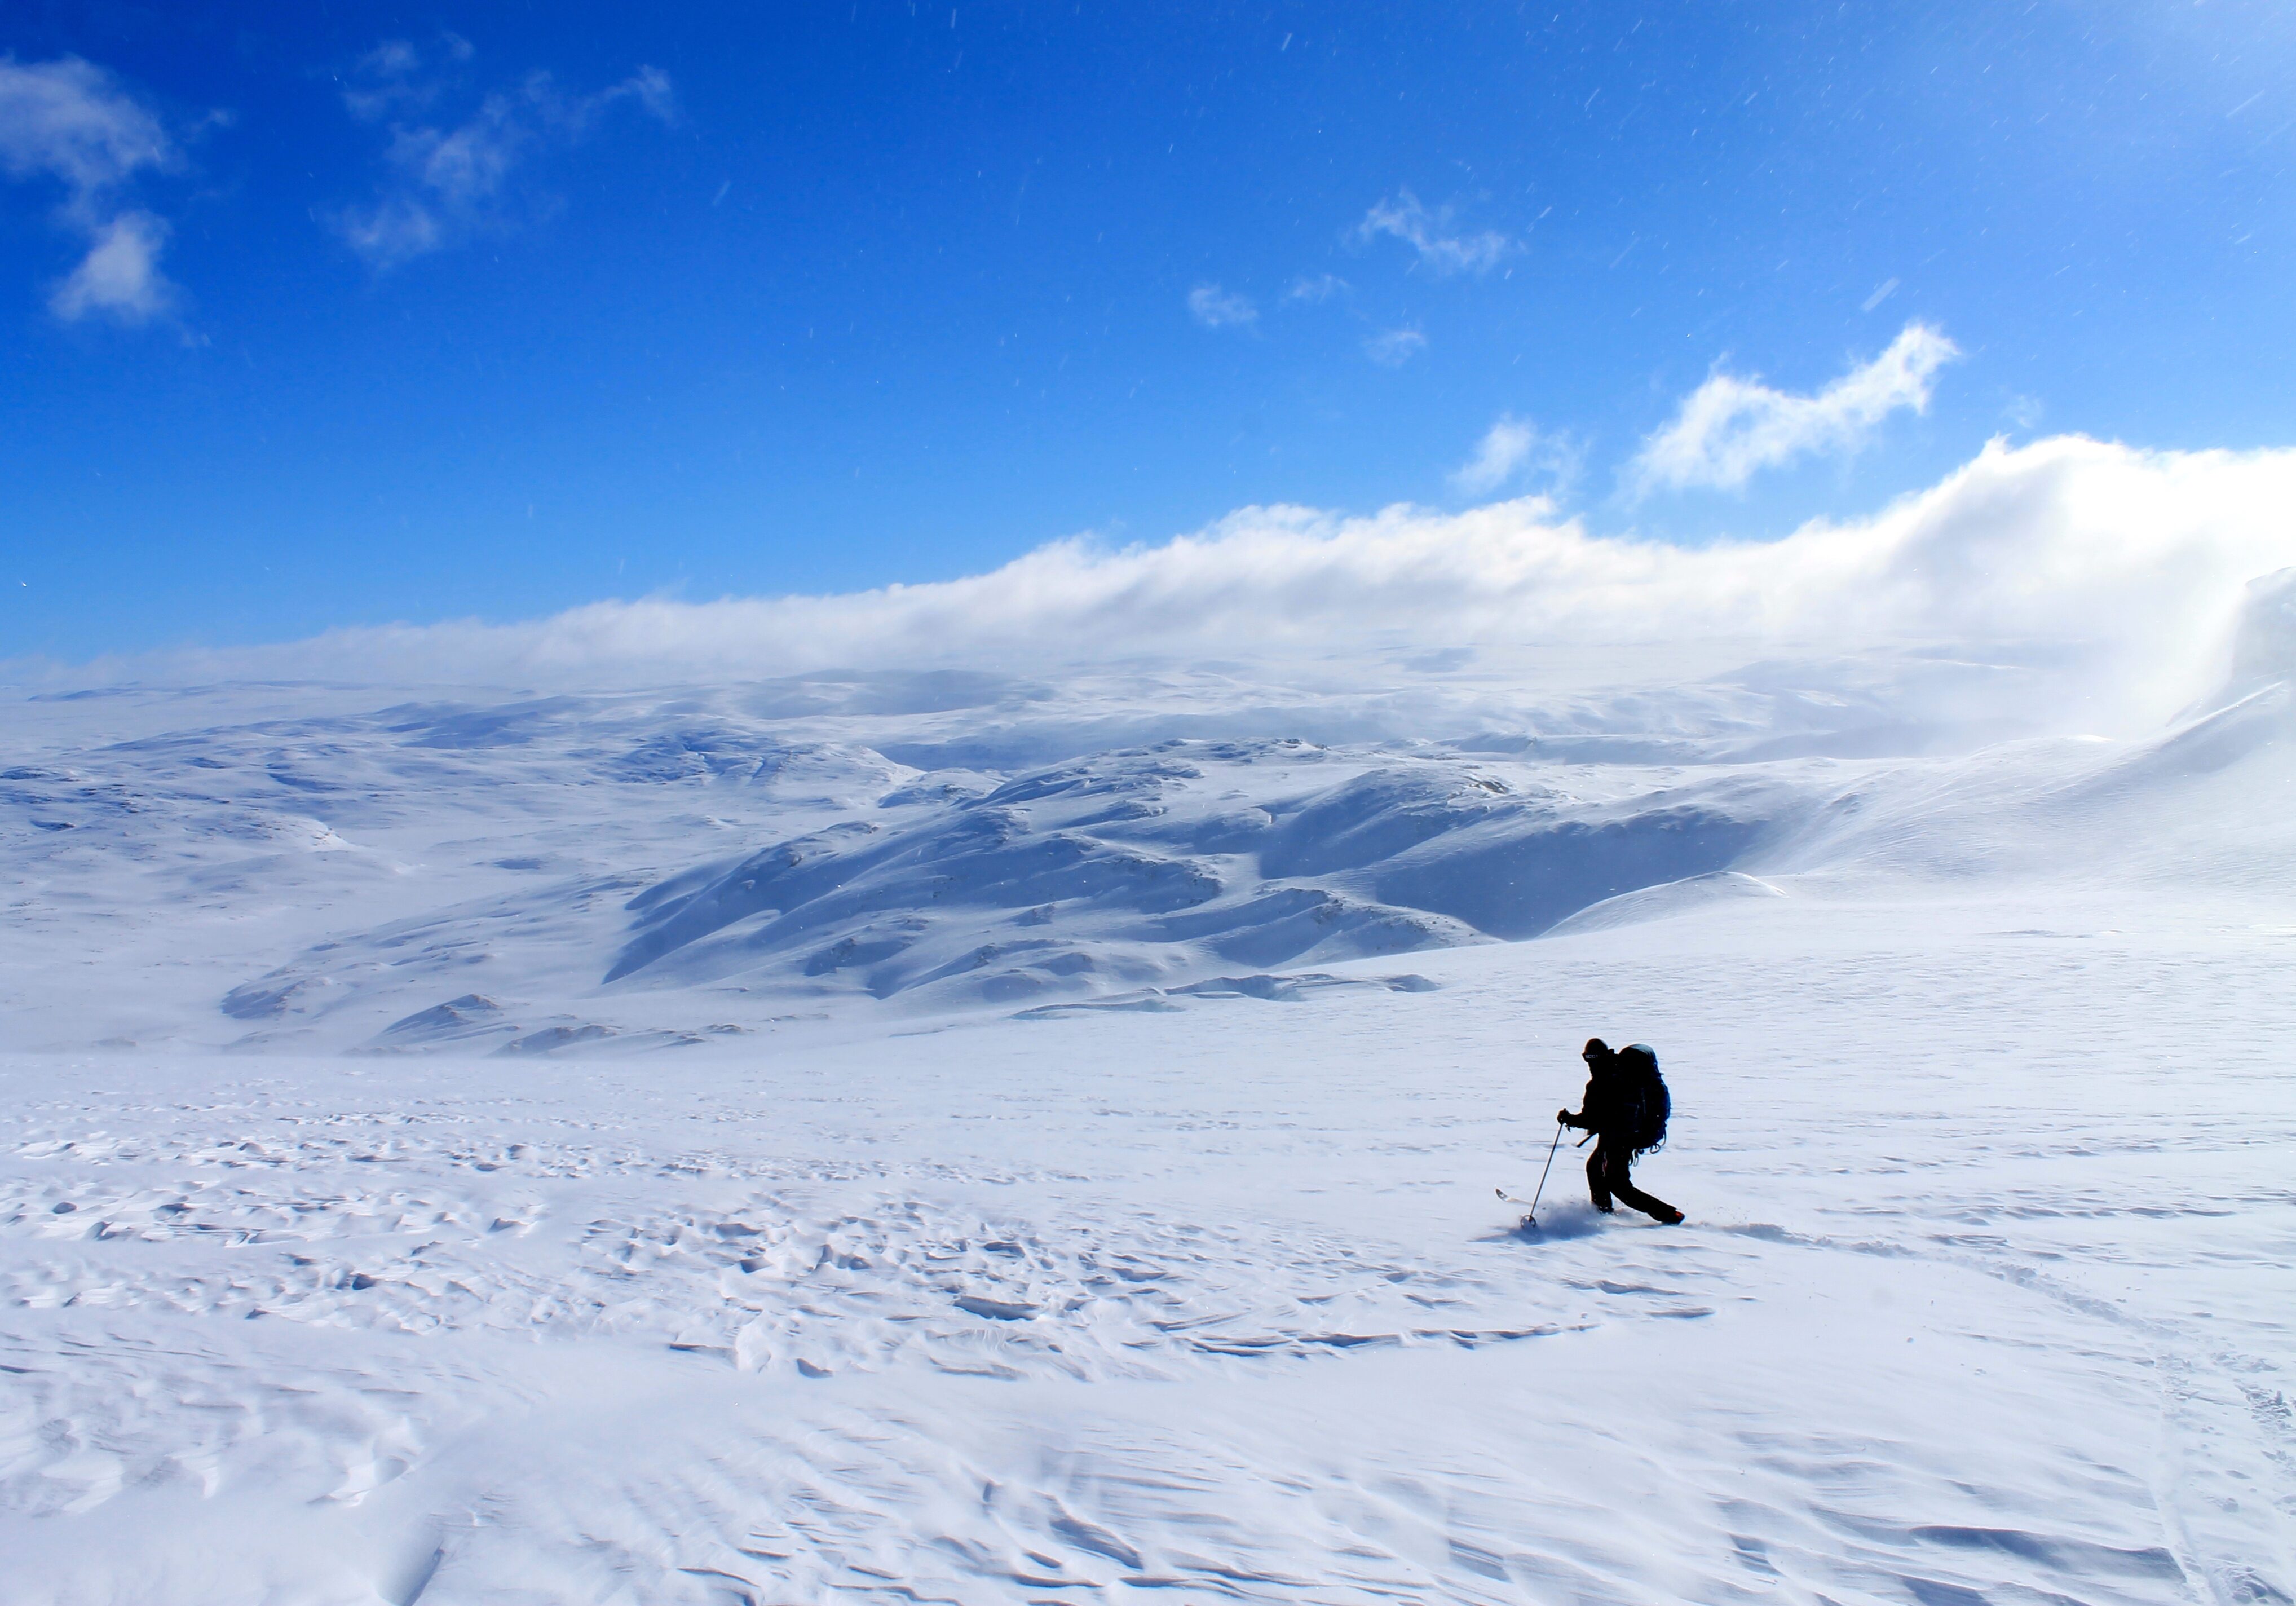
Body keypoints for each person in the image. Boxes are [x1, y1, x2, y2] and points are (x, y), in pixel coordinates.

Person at [1560, 1037, 1684, 1225]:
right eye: (1588, 1058)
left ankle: (1669, 1215)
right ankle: (1603, 1211)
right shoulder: (1620, 1073)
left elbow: (1590, 1118)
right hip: (1625, 1136)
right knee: (1595, 1168)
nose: (1591, 1063)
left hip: (1620, 1138)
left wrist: (1568, 1119)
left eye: (1592, 1057)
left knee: (1618, 1185)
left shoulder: (1605, 1081)